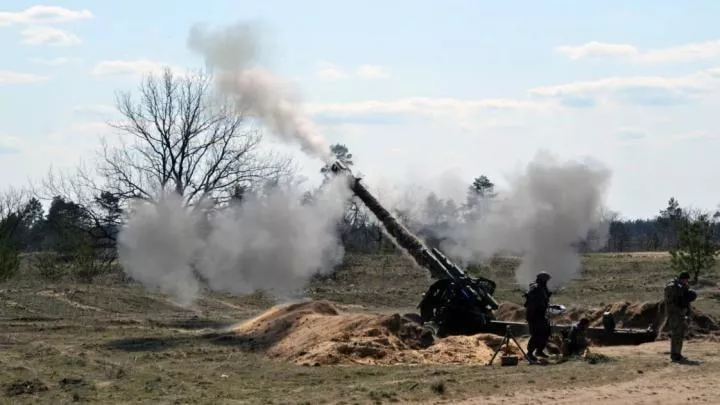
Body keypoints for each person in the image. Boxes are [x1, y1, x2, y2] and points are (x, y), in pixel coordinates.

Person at [664, 271, 696, 362]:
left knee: (680, 334)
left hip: (682, 314)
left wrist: (687, 313)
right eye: (686, 280)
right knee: (675, 334)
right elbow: (669, 303)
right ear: (683, 279)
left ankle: (678, 353)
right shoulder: (671, 287)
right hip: (674, 314)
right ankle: (674, 355)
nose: (687, 281)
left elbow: (686, 301)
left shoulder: (683, 286)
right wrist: (678, 312)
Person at [523, 271, 552, 362]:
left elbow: (543, 300)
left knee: (546, 332)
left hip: (540, 315)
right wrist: (544, 306)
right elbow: (534, 303)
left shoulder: (542, 288)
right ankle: (529, 353)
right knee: (536, 334)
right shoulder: (535, 288)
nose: (546, 282)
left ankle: (539, 350)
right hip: (534, 315)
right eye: (546, 280)